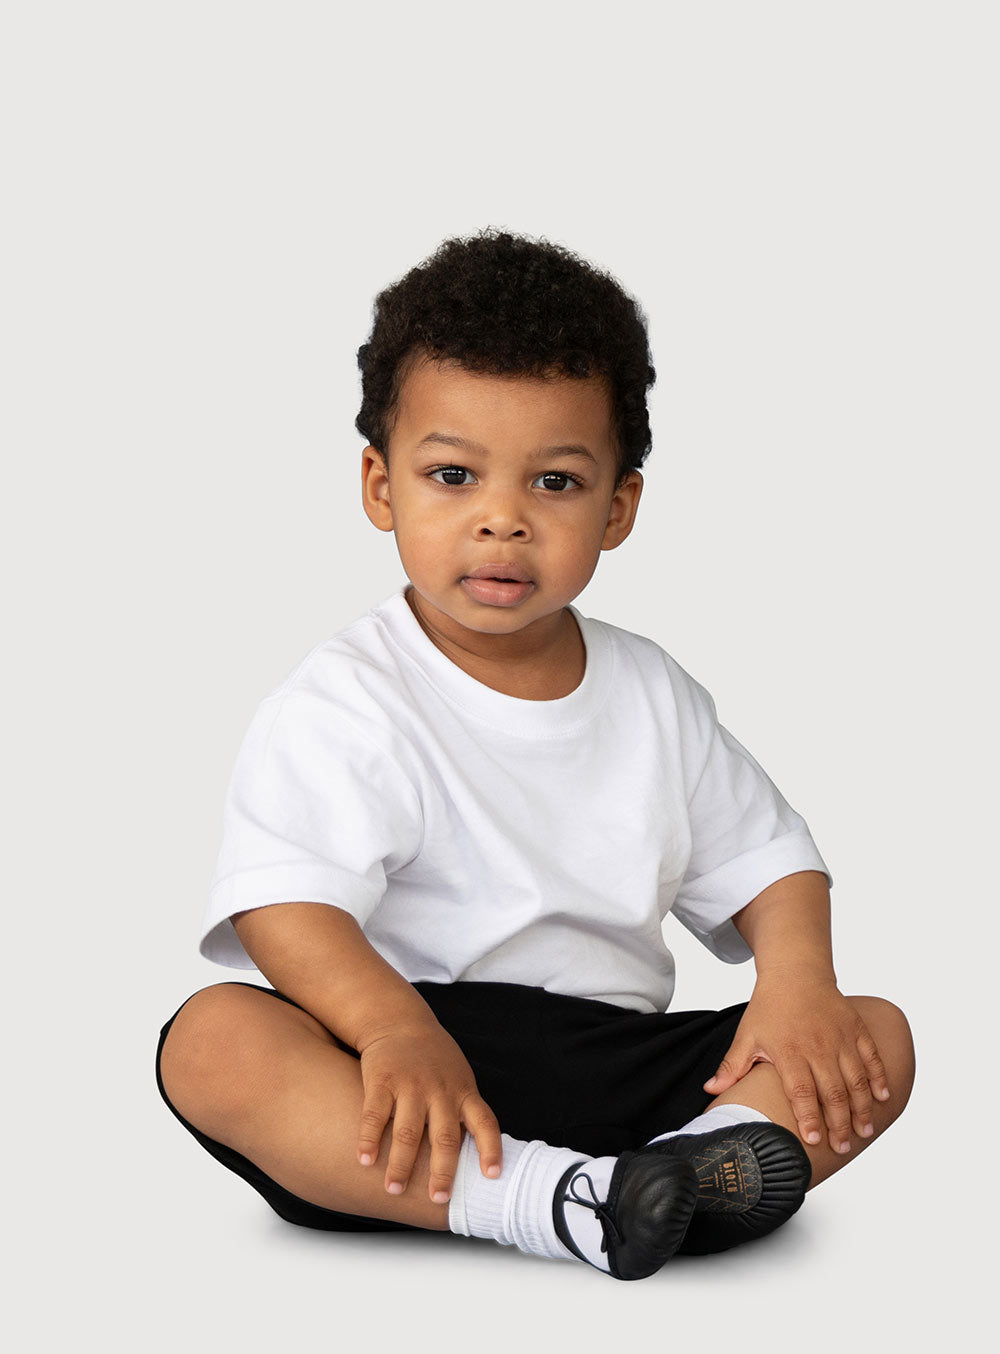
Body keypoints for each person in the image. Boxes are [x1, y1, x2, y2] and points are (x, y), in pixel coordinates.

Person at [156, 229, 915, 1279]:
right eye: (453, 475)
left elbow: (771, 865)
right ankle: (545, 1202)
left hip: (615, 1061)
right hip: (407, 1069)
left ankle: (669, 1175)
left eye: (554, 482)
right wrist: (391, 1031)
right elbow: (285, 908)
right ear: (380, 486)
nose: (502, 521)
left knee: (874, 1036)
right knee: (212, 1038)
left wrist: (798, 985)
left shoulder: (651, 692)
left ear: (618, 508)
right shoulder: (347, 698)